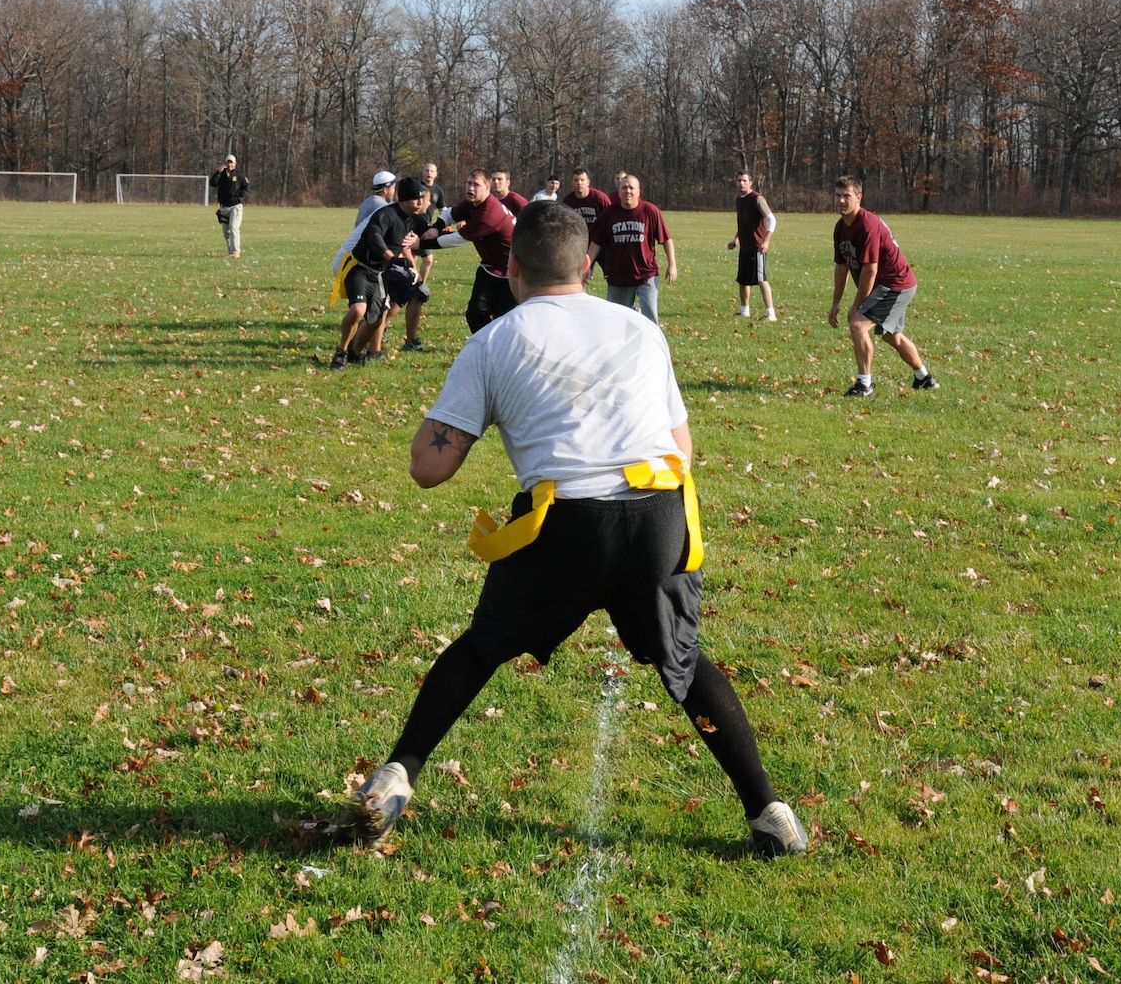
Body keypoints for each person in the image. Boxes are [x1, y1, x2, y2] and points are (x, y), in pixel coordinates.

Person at [338, 200, 808, 861]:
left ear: (509, 266)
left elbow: (428, 468)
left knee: (479, 652)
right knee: (683, 661)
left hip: (564, 522)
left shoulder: (494, 341)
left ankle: (399, 772)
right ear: (588, 265)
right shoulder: (642, 330)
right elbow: (682, 447)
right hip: (657, 516)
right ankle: (771, 812)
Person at [828, 176, 935, 396]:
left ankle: (864, 385)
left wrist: (857, 305)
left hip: (895, 284)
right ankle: (924, 378)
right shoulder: (841, 227)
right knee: (891, 336)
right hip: (886, 285)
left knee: (858, 325)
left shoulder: (868, 225)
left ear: (859, 197)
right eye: (838, 195)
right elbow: (842, 267)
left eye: (847, 196)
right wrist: (836, 303)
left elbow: (870, 270)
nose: (841, 201)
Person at [332, 177, 430, 369]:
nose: (420, 202)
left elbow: (430, 232)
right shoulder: (385, 214)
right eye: (415, 198)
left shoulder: (413, 219)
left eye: (422, 198)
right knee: (359, 310)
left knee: (377, 320)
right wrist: (390, 257)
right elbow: (375, 237)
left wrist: (455, 229)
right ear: (402, 198)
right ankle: (341, 352)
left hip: (378, 274)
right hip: (359, 268)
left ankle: (355, 352)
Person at [433, 169, 517, 333]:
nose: (470, 188)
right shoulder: (473, 203)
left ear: (487, 188)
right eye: (469, 183)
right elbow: (451, 213)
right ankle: (486, 348)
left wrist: (421, 243)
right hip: (489, 268)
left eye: (476, 185)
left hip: (512, 272)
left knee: (505, 322)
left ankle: (497, 351)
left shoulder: (489, 212)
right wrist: (436, 228)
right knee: (475, 314)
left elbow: (457, 238)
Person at [593, 175, 676, 324]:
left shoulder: (650, 211)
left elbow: (666, 239)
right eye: (624, 187)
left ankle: (652, 346)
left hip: (646, 274)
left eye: (631, 188)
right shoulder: (608, 214)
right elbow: (596, 242)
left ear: (638, 192)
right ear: (618, 191)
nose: (628, 191)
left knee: (650, 318)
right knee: (617, 320)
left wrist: (672, 265)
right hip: (618, 276)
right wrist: (587, 266)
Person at [402, 163, 452, 352]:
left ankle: (408, 340)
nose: (430, 204)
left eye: (432, 170)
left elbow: (429, 236)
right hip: (390, 261)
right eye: (428, 200)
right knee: (403, 297)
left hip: (422, 236)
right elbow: (403, 246)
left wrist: (454, 232)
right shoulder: (405, 215)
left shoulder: (419, 217)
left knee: (415, 293)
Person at [727, 172, 777, 321]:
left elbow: (772, 220)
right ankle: (744, 312)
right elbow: (743, 224)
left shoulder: (757, 199)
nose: (741, 183)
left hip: (757, 247)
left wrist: (766, 241)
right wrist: (736, 240)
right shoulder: (739, 200)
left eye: (744, 180)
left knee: (761, 279)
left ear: (750, 183)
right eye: (739, 180)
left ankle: (771, 314)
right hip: (745, 247)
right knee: (743, 280)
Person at [209, 154, 248, 257]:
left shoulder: (240, 175)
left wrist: (239, 198)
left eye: (232, 162)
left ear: (235, 164)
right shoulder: (221, 175)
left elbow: (246, 188)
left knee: (234, 227)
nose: (230, 164)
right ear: (225, 163)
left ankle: (236, 252)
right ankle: (231, 252)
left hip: (236, 207)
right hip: (224, 207)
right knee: (226, 232)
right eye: (228, 162)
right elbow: (213, 183)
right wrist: (218, 172)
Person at [560, 167, 611, 232]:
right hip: (576, 238)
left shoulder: (600, 198)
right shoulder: (567, 201)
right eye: (576, 180)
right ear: (572, 183)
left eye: (582, 180)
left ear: (588, 182)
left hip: (597, 238)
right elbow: (563, 224)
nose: (579, 183)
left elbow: (610, 218)